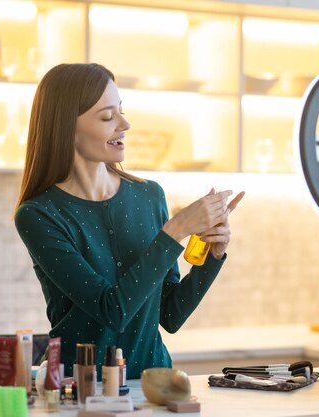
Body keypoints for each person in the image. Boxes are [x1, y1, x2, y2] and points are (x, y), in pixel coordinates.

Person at [14, 63, 245, 379]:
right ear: (67, 126)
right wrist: (175, 230)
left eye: (120, 111)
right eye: (108, 117)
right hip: (79, 392)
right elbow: (113, 310)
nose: (124, 124)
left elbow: (170, 314)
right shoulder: (39, 215)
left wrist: (213, 256)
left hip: (155, 386)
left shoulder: (149, 196)